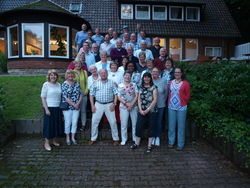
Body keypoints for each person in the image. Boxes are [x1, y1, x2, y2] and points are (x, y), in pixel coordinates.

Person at [89, 69, 120, 145]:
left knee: (113, 122)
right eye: (101, 73)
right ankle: (93, 138)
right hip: (98, 104)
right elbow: (91, 95)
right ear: (99, 74)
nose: (103, 74)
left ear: (107, 74)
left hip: (109, 104)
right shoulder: (95, 83)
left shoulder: (111, 83)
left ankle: (116, 139)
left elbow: (116, 93)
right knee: (94, 122)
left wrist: (114, 103)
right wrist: (92, 105)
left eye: (104, 73)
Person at [130, 72, 158, 153]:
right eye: (145, 77)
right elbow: (139, 99)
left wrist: (147, 109)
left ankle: (149, 146)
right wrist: (141, 109)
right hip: (141, 111)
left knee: (151, 127)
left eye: (148, 77)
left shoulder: (154, 87)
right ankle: (136, 143)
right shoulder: (140, 87)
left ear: (150, 78)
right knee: (138, 126)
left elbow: (155, 100)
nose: (146, 79)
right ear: (143, 78)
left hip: (152, 111)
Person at [168, 67, 190, 151]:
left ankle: (180, 144)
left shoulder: (185, 83)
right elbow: (169, 93)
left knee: (181, 126)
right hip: (171, 107)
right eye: (175, 72)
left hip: (181, 107)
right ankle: (171, 142)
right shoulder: (170, 83)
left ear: (181, 73)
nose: (177, 73)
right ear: (174, 74)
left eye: (178, 72)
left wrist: (183, 102)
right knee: (171, 126)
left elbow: (188, 96)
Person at [41, 70, 64, 151]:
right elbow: (43, 98)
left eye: (55, 75)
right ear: (49, 76)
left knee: (55, 125)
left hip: (57, 108)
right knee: (48, 126)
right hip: (49, 108)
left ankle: (54, 140)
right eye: (51, 75)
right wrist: (46, 109)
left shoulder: (59, 85)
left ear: (57, 77)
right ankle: (46, 143)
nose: (53, 76)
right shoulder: (46, 85)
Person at [61, 70, 83, 145]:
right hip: (68, 107)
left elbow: (80, 95)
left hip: (77, 107)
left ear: (74, 75)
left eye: (72, 74)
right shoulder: (64, 84)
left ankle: (73, 137)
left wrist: (78, 104)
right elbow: (65, 97)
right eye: (69, 74)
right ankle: (67, 137)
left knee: (75, 122)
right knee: (68, 122)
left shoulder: (77, 83)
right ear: (66, 75)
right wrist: (74, 105)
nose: (70, 75)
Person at [118, 71, 139, 145]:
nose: (127, 77)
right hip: (124, 106)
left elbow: (137, 95)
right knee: (124, 124)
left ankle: (134, 138)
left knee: (134, 124)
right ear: (123, 76)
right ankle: (124, 139)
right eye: (126, 75)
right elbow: (118, 97)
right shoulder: (120, 85)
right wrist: (127, 104)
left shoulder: (134, 85)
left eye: (129, 75)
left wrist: (131, 104)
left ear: (131, 77)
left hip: (134, 106)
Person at [152, 67, 168, 146]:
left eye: (156, 71)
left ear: (159, 73)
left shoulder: (163, 80)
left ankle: (157, 137)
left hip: (161, 105)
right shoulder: (149, 80)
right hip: (151, 105)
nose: (155, 73)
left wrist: (162, 101)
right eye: (153, 71)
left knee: (158, 122)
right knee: (152, 121)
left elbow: (166, 93)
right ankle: (152, 137)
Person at [74, 61, 88, 131]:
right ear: (74, 64)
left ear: (81, 65)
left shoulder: (84, 72)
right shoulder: (72, 72)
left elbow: (87, 82)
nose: (78, 65)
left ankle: (83, 125)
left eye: (79, 64)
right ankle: (75, 125)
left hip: (83, 94)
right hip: (75, 95)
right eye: (76, 64)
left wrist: (86, 91)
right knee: (76, 110)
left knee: (83, 110)